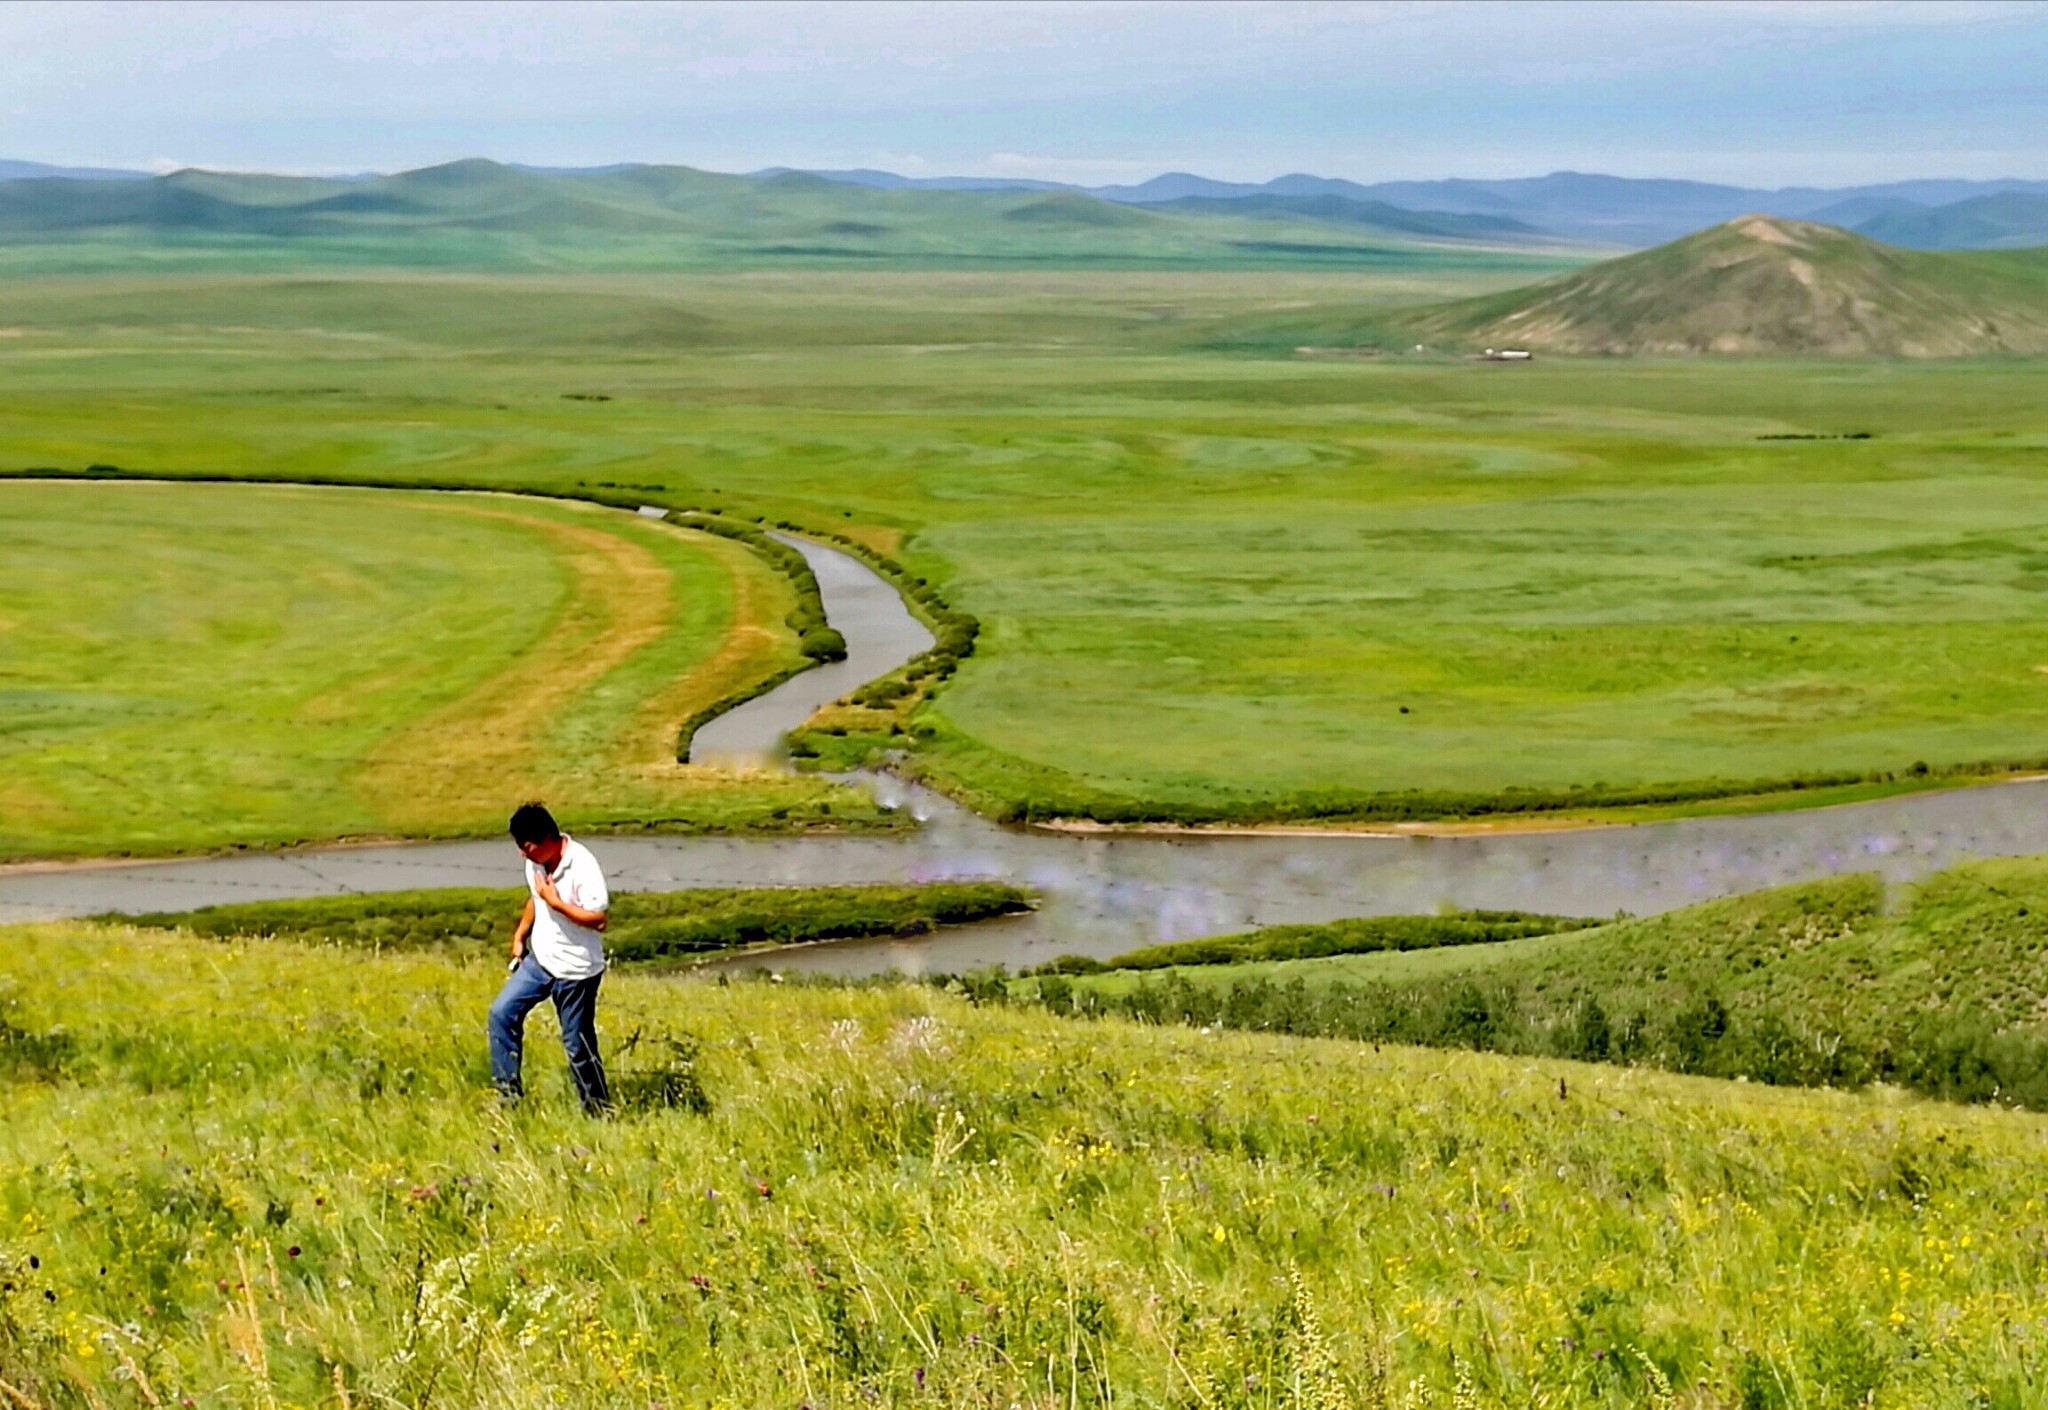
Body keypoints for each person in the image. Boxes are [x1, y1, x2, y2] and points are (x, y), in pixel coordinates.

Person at [488, 802, 612, 1112]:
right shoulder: (535, 862)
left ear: (546, 839)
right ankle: (508, 1099)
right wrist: (520, 936)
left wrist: (556, 903)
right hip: (540, 961)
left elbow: (599, 919)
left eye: (526, 845)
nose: (522, 853)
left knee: (577, 1046)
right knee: (501, 1014)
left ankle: (597, 1111)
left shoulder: (583, 865)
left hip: (576, 972)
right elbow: (535, 899)